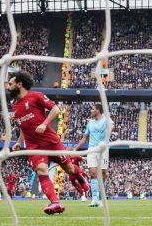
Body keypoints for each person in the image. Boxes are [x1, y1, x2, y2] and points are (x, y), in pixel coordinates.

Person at [9, 71, 89, 215]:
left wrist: (45, 124)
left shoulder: (36, 96)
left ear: (19, 84)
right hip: (33, 146)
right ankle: (55, 203)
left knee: (70, 169)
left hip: (50, 141)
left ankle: (80, 177)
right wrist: (19, 142)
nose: (8, 87)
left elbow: (56, 109)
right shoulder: (15, 106)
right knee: (41, 171)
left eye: (10, 84)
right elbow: (23, 126)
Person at [73, 103, 113, 207]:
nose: (91, 111)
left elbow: (111, 127)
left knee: (103, 173)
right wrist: (75, 149)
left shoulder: (105, 120)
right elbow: (85, 138)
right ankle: (94, 199)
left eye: (92, 109)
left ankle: (101, 199)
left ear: (98, 110)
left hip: (103, 149)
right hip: (91, 149)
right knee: (93, 173)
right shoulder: (90, 123)